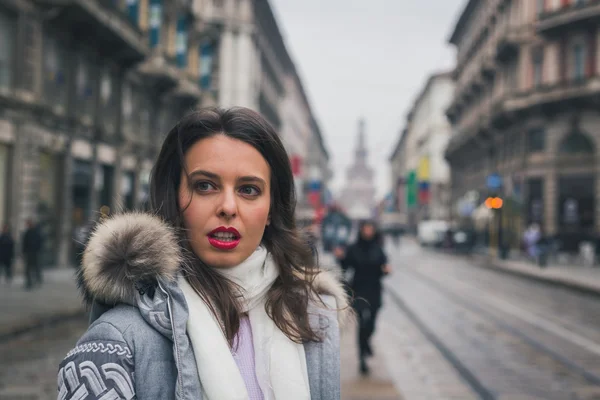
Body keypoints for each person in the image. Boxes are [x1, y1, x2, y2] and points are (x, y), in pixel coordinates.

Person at [58, 107, 351, 400]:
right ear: (174, 197)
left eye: (248, 189)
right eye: (205, 186)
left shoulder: (313, 319)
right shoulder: (118, 342)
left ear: (272, 209)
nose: (228, 206)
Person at [335, 220, 390, 375]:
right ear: (361, 231)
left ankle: (366, 343)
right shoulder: (354, 248)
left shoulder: (378, 248)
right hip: (359, 290)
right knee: (362, 323)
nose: (367, 231)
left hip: (374, 290)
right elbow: (346, 267)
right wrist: (340, 257)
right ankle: (362, 360)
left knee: (371, 323)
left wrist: (386, 270)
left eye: (370, 229)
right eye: (365, 229)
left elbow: (384, 267)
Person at [22, 219, 43, 290]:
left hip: (35, 253)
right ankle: (29, 282)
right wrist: (24, 252)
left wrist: (37, 250)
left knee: (36, 267)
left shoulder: (36, 233)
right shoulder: (27, 232)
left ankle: (38, 279)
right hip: (29, 253)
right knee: (28, 268)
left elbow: (39, 242)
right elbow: (24, 243)